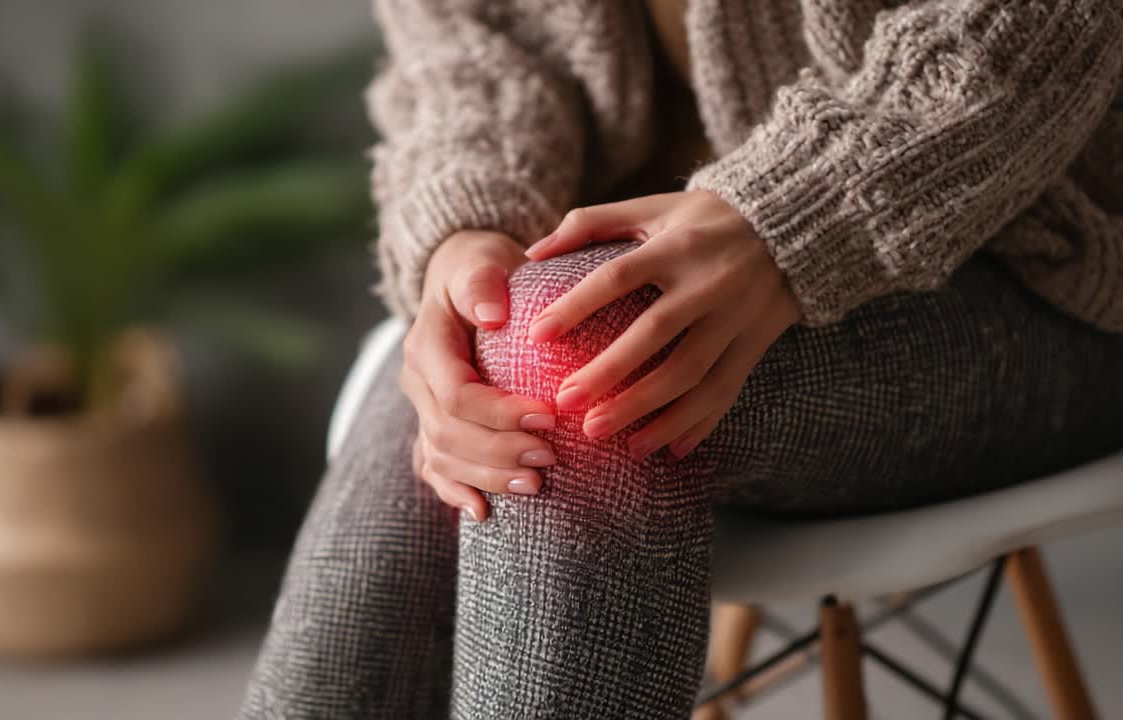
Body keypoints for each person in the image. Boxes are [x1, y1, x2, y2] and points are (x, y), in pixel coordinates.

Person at [238, 1, 1123, 718]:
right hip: (617, 262)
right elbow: (464, 49)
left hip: (1049, 267)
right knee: (525, 340)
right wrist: (465, 239)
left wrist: (799, 212)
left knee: (579, 360)